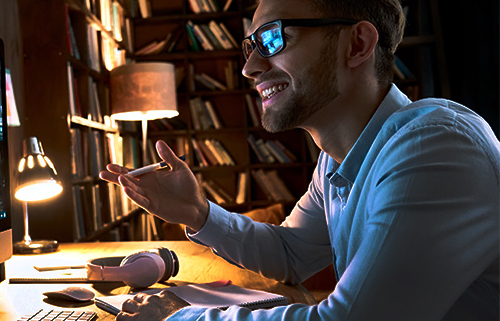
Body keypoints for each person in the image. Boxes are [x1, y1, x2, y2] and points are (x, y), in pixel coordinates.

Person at [100, 0, 500, 319]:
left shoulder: (434, 146)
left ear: (357, 44)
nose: (249, 67)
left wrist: (177, 317)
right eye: (250, 47)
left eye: (273, 39)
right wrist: (197, 213)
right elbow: (291, 254)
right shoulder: (336, 160)